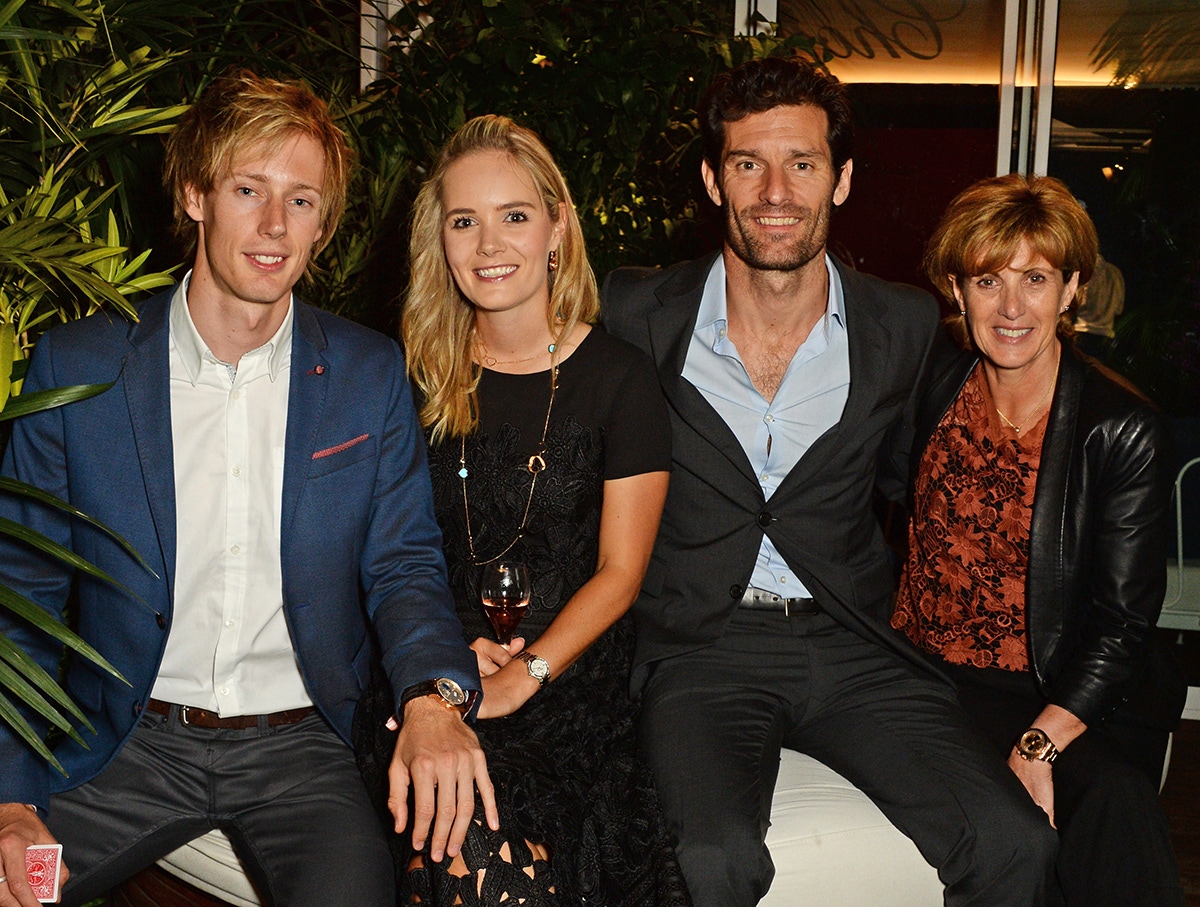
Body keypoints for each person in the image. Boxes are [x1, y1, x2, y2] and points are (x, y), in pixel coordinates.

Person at [0, 71, 495, 907]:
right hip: (125, 739)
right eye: (247, 190)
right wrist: (9, 795)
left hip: (301, 748)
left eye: (302, 201)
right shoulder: (81, 370)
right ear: (196, 194)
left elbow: (405, 564)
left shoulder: (366, 376)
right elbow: (23, 595)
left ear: (324, 224)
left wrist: (434, 696)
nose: (274, 226)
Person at [601, 56, 1058, 907]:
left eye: (803, 164)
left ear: (841, 180)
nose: (776, 192)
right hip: (703, 646)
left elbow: (940, 466)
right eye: (749, 164)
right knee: (711, 856)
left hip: (852, 641)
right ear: (713, 179)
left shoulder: (905, 324)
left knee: (1012, 843)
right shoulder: (634, 312)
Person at [353, 114, 688, 907]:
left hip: (568, 684)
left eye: (514, 215)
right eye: (464, 221)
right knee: (459, 833)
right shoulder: (405, 378)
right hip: (431, 674)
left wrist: (527, 674)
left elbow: (621, 572)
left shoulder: (620, 378)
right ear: (440, 239)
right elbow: (382, 556)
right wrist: (442, 664)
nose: (489, 243)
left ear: (556, 228)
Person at [892, 173, 1187, 906]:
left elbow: (1122, 624)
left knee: (1115, 807)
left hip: (1059, 686)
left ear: (1072, 288)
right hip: (927, 679)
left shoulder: (1121, 428)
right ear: (957, 292)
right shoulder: (928, 383)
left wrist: (1039, 741)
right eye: (989, 279)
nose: (1013, 306)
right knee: (1009, 832)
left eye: (1036, 277)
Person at [1072, 251, 1125, 362]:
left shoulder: (1088, 273)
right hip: (1106, 336)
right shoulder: (1115, 273)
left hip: (1083, 333)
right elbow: (1119, 309)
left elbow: (1080, 303)